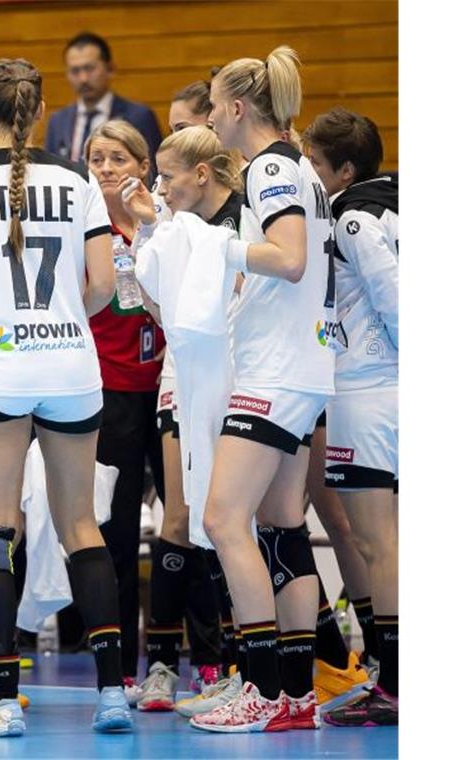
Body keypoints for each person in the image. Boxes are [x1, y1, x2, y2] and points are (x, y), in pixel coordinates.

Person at [0, 57, 132, 736]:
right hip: (73, 364)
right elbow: (102, 284)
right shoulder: (79, 181)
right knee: (81, 526)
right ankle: (111, 693)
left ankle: (2, 701)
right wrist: (65, 314)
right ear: (38, 112)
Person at [191, 46, 334, 733]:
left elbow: (291, 256)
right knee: (281, 528)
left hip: (275, 374)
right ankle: (295, 696)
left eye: (215, 104)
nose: (212, 115)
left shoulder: (270, 167)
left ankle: (264, 688)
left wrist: (214, 247)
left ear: (238, 107)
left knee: (223, 520)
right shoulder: (297, 165)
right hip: (299, 368)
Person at [125, 125, 254, 712]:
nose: (160, 186)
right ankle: (161, 664)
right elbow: (157, 306)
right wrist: (152, 229)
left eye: (167, 175)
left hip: (244, 378)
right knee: (183, 514)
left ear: (202, 172)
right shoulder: (174, 226)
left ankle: (238, 667)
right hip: (185, 377)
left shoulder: (247, 219)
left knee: (237, 520)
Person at [303, 107, 398, 726]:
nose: (307, 172)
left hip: (370, 391)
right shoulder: (398, 203)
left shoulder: (355, 217)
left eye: (313, 162)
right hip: (383, 389)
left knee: (378, 543)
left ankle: (393, 683)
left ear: (342, 169)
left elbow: (395, 299)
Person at [82, 119, 166, 698]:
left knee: (185, 527)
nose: (106, 168)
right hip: (108, 389)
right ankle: (120, 669)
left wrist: (151, 231)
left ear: (143, 163)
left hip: (168, 386)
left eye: (117, 157)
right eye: (96, 158)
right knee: (113, 532)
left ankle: (196, 660)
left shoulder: (165, 219)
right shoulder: (83, 224)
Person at [45, 31, 163, 173]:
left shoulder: (139, 116)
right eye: (75, 71)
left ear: (110, 69)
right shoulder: (58, 121)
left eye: (90, 68)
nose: (83, 78)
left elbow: (154, 171)